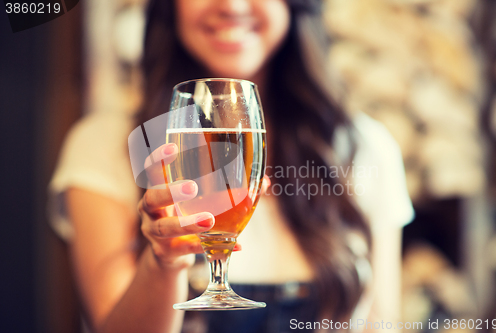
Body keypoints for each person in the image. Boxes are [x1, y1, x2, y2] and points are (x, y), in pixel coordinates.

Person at [49, 0, 414, 332]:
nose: (231, 5)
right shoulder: (109, 146)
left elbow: (381, 324)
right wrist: (165, 261)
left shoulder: (364, 148)